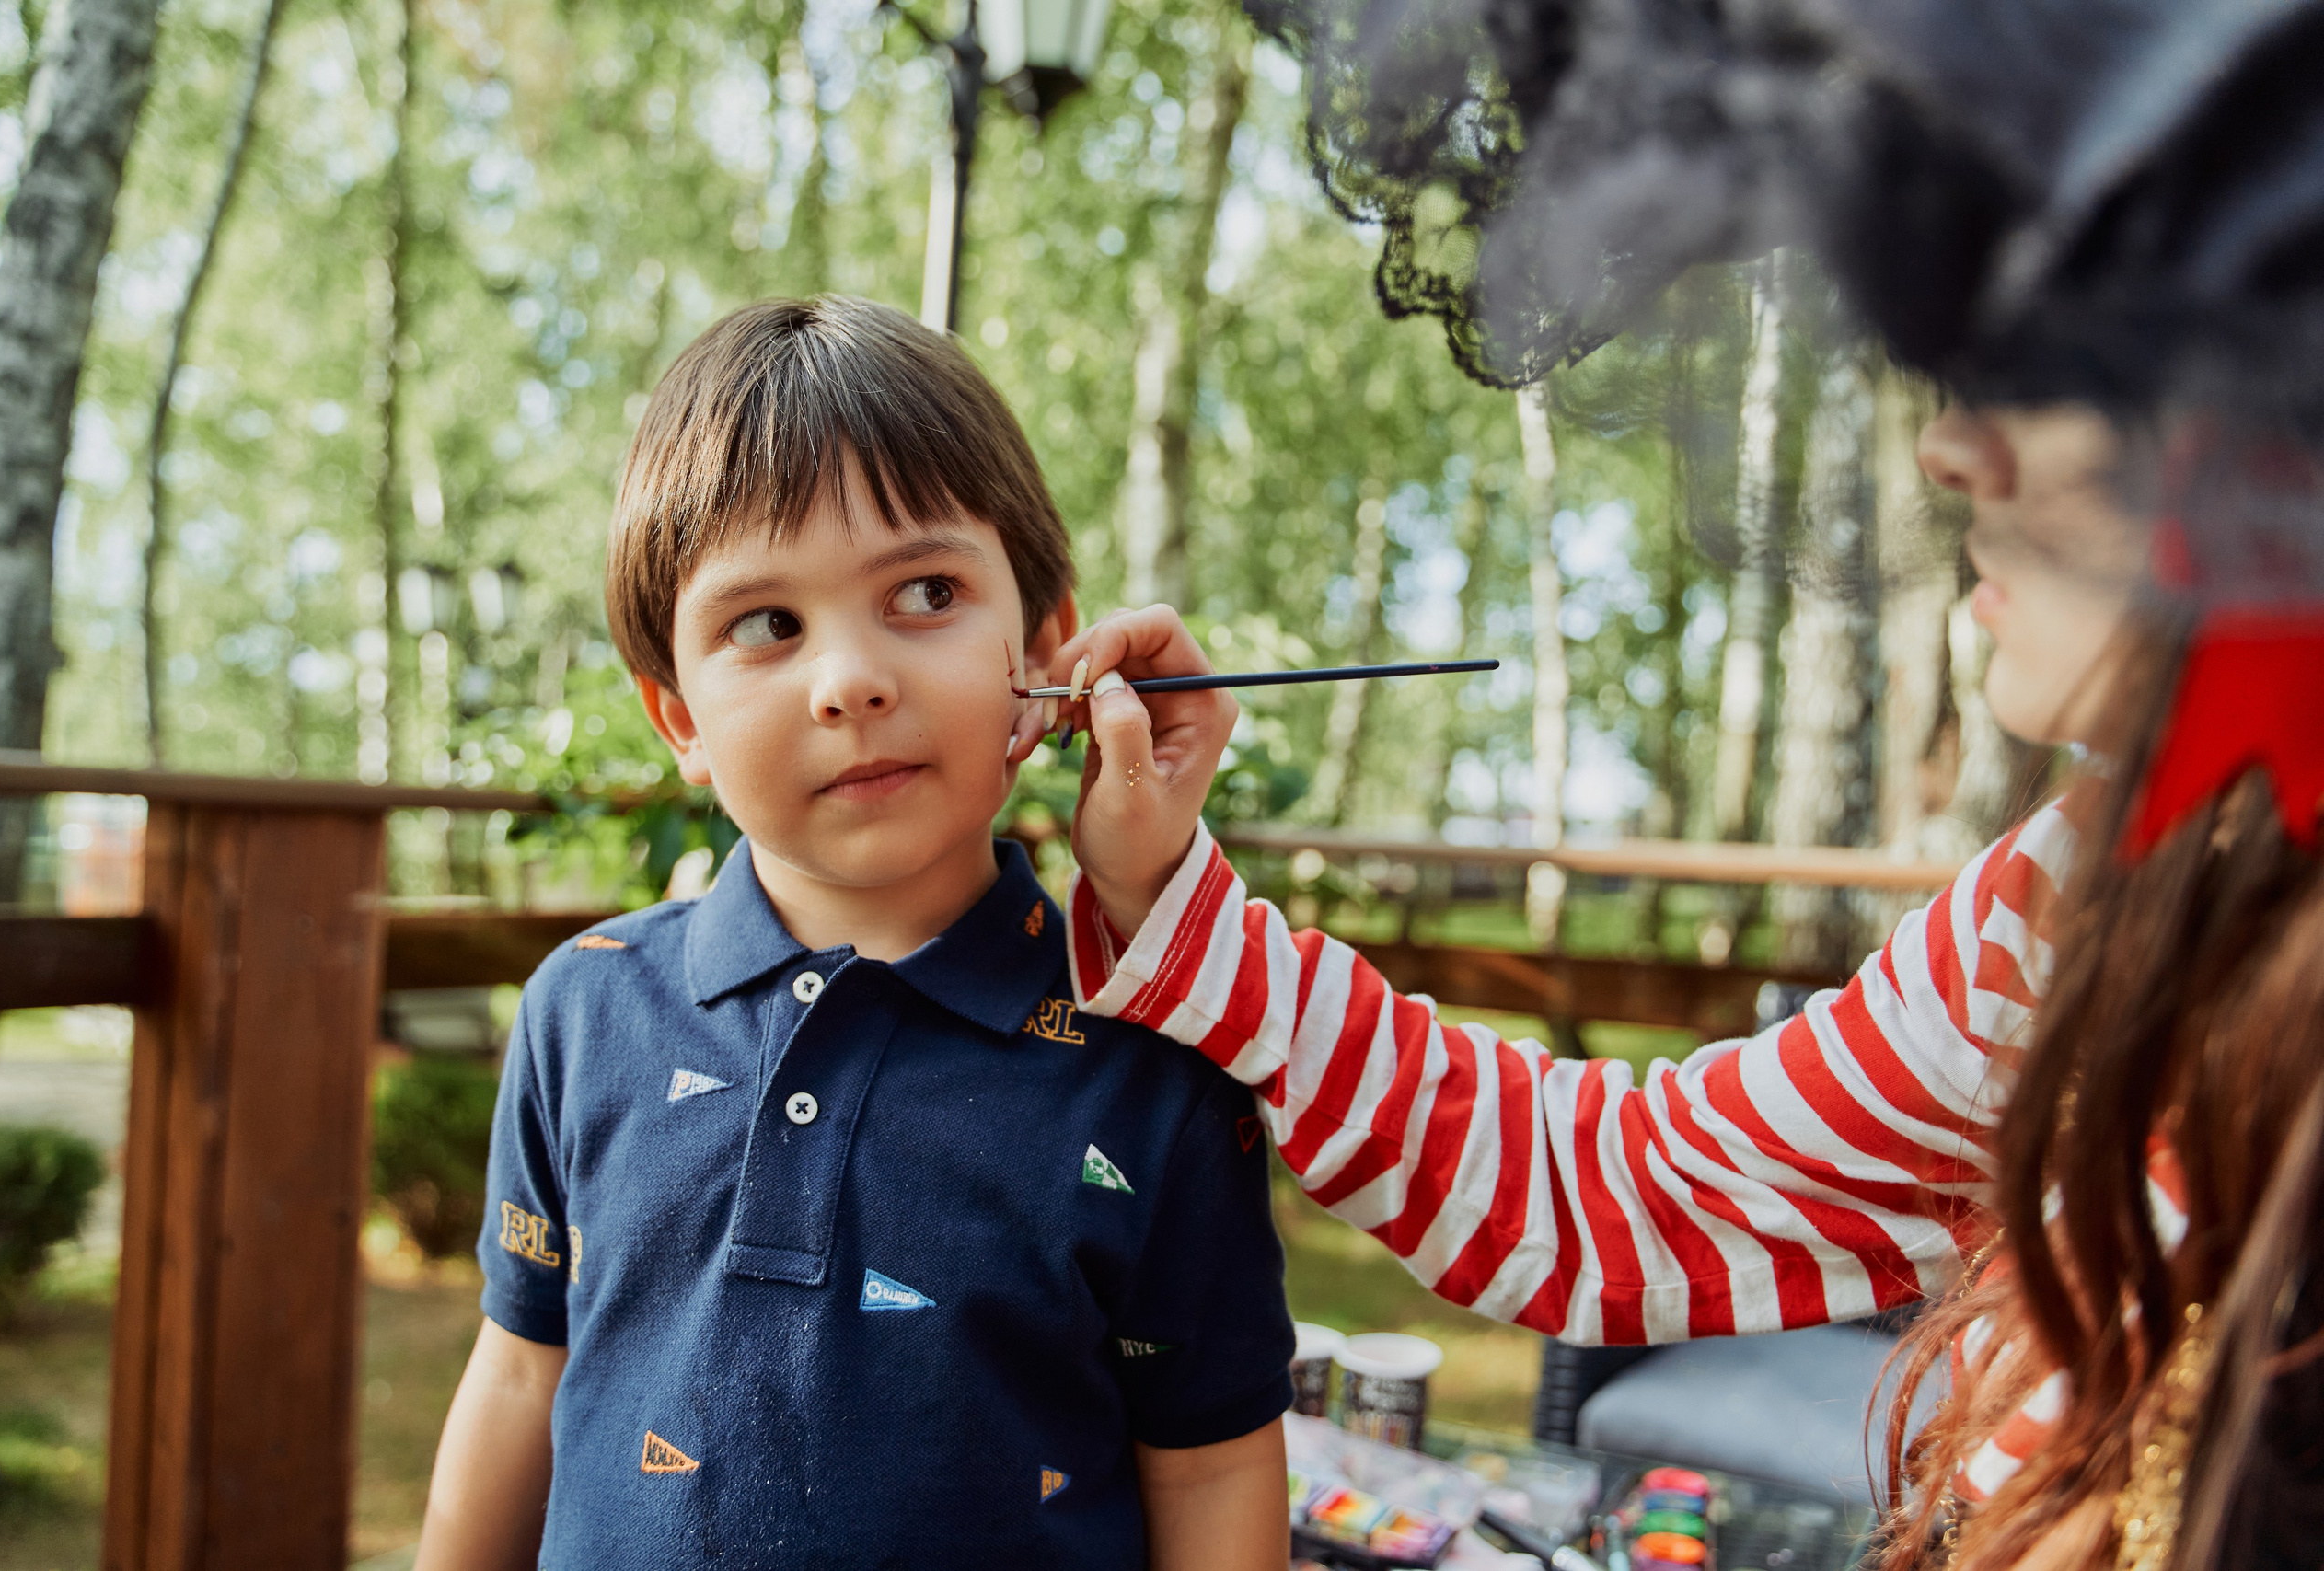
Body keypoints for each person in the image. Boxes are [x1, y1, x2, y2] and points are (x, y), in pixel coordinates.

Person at [1032, 4, 2324, 1568]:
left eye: (2064, 358)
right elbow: (1612, 1195)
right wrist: (1170, 896)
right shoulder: (2070, 907)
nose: (1950, 448)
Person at [410, 295, 1293, 1571]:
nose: (851, 679)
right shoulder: (583, 1008)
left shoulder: (1152, 1054)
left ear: (1048, 651)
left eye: (926, 592)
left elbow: (1212, 1466)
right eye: (765, 625)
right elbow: (518, 1376)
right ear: (680, 720)